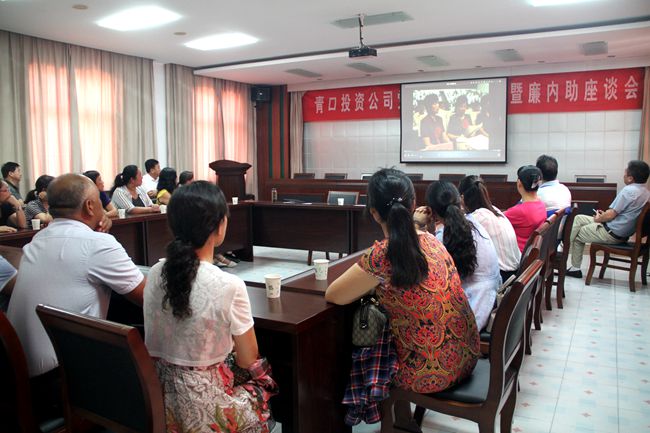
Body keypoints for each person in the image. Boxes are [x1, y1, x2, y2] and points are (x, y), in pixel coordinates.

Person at [325, 169, 479, 397]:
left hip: (430, 374)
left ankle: (362, 406)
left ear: (374, 213)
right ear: (413, 204)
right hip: (467, 357)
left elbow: (334, 294)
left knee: (368, 348)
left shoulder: (382, 255)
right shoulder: (432, 240)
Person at [143, 181, 276, 433]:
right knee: (264, 379)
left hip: (157, 398)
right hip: (207, 408)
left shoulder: (155, 272)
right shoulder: (229, 284)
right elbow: (247, 358)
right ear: (219, 225)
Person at [7, 174, 142, 417]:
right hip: (59, 382)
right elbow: (146, 297)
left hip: (17, 375)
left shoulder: (38, 239)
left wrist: (97, 231)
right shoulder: (98, 244)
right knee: (143, 342)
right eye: (99, 200)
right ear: (90, 206)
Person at [416, 181, 501, 330]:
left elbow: (421, 268)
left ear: (432, 212)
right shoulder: (474, 224)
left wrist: (416, 225)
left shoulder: (443, 239)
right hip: (488, 300)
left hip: (472, 316)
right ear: (460, 201)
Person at [567, 160, 650, 278]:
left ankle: (569, 260)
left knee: (578, 234)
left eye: (625, 172)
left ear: (630, 178)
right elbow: (618, 213)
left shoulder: (628, 191)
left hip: (611, 233)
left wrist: (599, 218)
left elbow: (611, 215)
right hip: (622, 232)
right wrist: (602, 216)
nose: (623, 175)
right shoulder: (646, 192)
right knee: (579, 218)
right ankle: (565, 245)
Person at [458, 175, 521, 281]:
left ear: (462, 198)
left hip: (503, 276)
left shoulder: (478, 217)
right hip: (514, 272)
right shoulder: (494, 210)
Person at [504, 165, 547, 252]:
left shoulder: (519, 211)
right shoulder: (541, 205)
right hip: (530, 251)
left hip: (517, 253)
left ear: (519, 183)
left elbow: (493, 220)